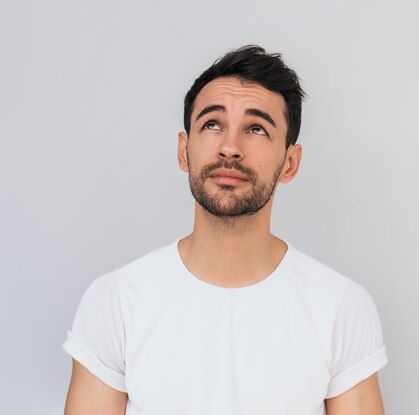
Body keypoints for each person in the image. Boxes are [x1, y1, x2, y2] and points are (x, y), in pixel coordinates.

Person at [63, 45, 388, 415]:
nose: (230, 148)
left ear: (290, 163)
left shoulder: (341, 306)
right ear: (184, 151)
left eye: (256, 129)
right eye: (212, 124)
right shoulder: (116, 302)